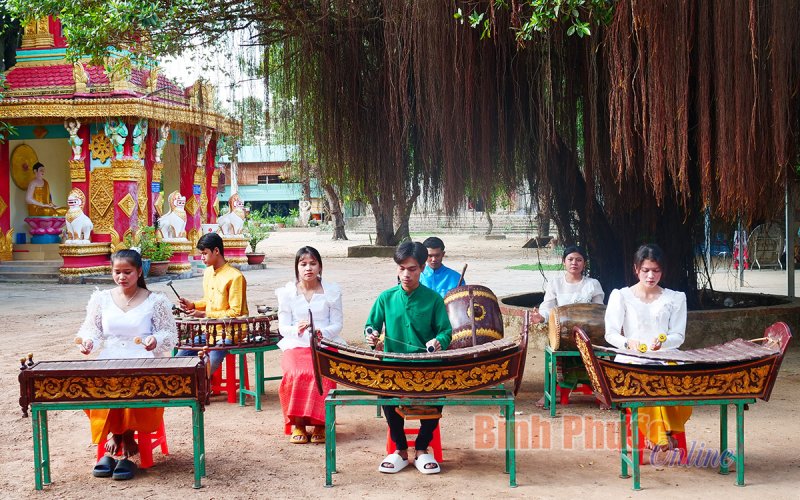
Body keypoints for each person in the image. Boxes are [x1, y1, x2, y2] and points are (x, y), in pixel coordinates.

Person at [76, 249, 178, 480]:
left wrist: (156, 340)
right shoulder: (101, 299)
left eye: (127, 272)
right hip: (109, 356)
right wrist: (88, 343)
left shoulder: (155, 300)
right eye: (117, 272)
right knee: (88, 387)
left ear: (139, 271)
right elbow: (91, 329)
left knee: (133, 384)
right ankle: (115, 433)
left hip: (142, 356)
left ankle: (129, 434)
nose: (122, 277)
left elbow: (169, 333)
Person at [365, 242, 452, 475]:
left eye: (412, 269)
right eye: (401, 268)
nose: (406, 274)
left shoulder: (433, 299)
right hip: (394, 365)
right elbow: (370, 326)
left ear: (422, 268)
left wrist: (438, 341)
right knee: (385, 393)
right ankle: (401, 450)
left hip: (427, 365)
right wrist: (372, 336)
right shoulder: (386, 298)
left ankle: (422, 448)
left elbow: (446, 331)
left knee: (439, 393)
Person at [604, 243, 691, 464]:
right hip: (631, 357)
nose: (651, 276)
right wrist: (628, 343)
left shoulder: (675, 298)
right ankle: (660, 436)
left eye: (656, 270)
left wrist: (661, 342)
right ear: (636, 269)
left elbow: (678, 336)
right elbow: (611, 334)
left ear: (662, 271)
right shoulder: (621, 296)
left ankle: (664, 435)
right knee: (645, 380)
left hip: (666, 355)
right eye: (646, 270)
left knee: (679, 382)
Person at [275, 246, 345, 444]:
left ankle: (321, 423)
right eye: (303, 264)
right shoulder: (287, 293)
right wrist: (296, 329)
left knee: (321, 374)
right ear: (297, 267)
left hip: (324, 344)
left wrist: (323, 332)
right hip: (295, 344)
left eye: (313, 263)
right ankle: (298, 423)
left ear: (320, 267)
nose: (308, 268)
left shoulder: (332, 291)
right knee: (295, 373)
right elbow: (282, 327)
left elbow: (337, 324)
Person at [530, 245, 605, 397]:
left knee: (591, 351)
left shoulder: (592, 284)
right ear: (563, 261)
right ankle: (553, 392)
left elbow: (599, 311)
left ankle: (599, 391)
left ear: (584, 263)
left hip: (588, 335)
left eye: (579, 260)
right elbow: (547, 308)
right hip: (562, 334)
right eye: (570, 259)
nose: (574, 263)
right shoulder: (555, 283)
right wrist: (541, 317)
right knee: (557, 351)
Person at [177, 233, 248, 377]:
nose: (202, 258)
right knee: (180, 356)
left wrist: (204, 314)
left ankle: (199, 389)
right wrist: (193, 305)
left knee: (209, 362)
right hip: (209, 331)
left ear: (216, 251)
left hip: (230, 333)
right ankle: (185, 388)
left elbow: (235, 312)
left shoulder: (235, 277)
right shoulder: (208, 272)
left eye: (204, 253)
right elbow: (208, 301)